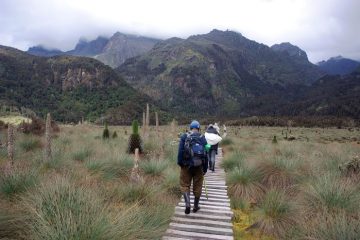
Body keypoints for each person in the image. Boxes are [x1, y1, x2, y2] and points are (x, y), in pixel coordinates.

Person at [177, 120, 208, 214]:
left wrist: (180, 163)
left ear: (190, 128)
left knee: (185, 184)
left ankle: (187, 204)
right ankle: (195, 206)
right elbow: (206, 154)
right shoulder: (203, 138)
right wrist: (205, 168)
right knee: (198, 186)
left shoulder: (184, 136)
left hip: (186, 165)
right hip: (199, 166)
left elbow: (180, 151)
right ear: (199, 128)